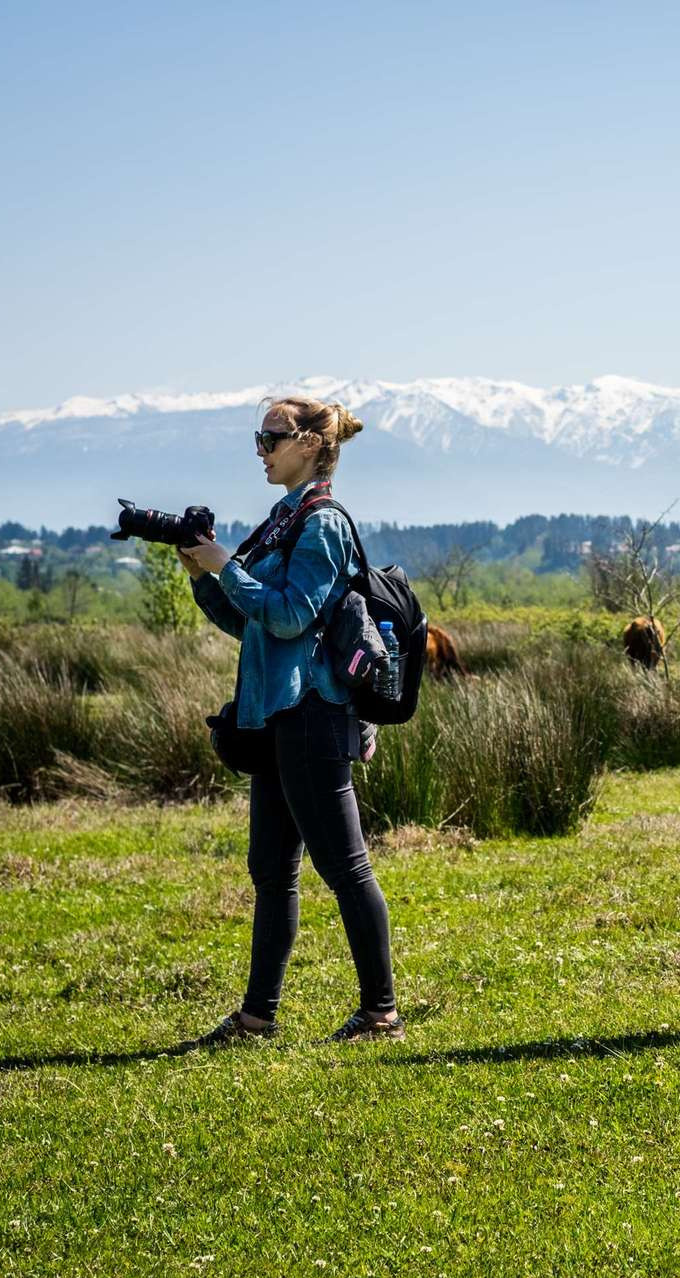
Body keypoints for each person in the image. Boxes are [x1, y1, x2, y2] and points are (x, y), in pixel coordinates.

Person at [179, 396, 403, 1044]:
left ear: (309, 444)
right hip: (276, 715)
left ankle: (381, 1012)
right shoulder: (283, 519)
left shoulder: (323, 524)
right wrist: (203, 576)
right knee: (271, 871)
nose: (261, 448)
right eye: (259, 437)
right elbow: (245, 619)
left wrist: (227, 565)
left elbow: (287, 615)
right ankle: (256, 1017)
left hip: (314, 712)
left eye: (271, 436)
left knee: (346, 867)